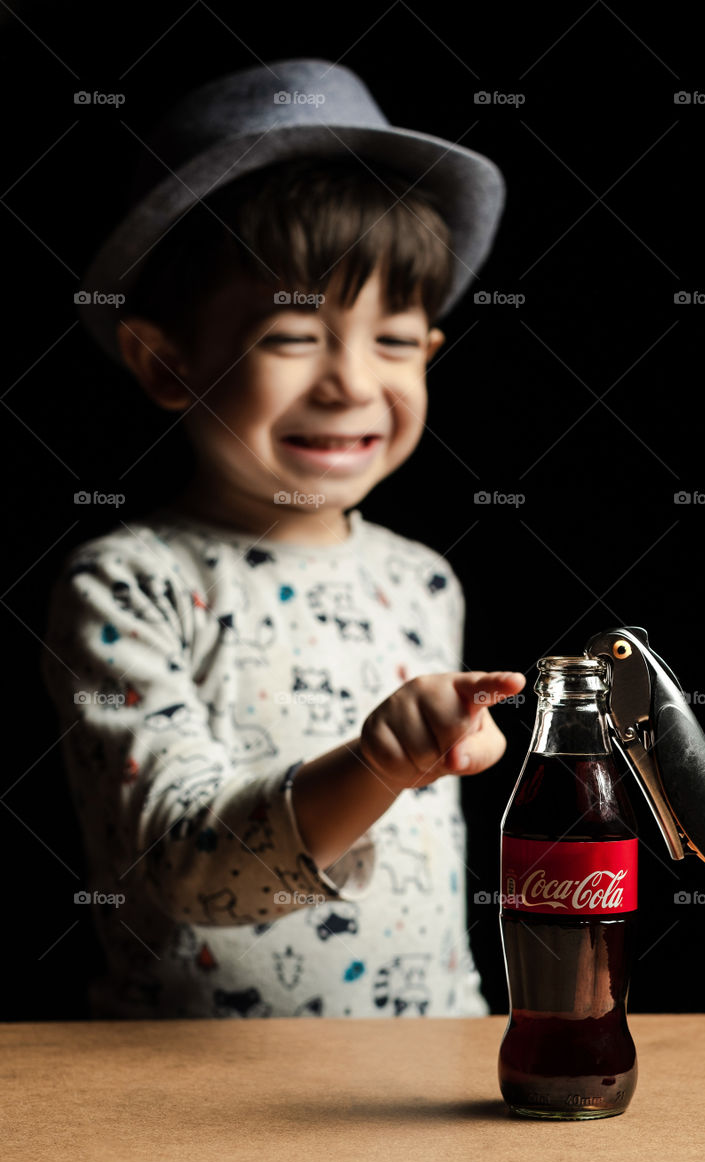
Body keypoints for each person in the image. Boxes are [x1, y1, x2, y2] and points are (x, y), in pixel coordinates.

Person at [42, 57, 525, 1019]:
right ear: (168, 362)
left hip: (420, 1076)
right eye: (292, 338)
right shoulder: (128, 584)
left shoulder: (424, 582)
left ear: (429, 352)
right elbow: (184, 865)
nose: (351, 383)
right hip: (191, 1102)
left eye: (392, 340)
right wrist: (379, 765)